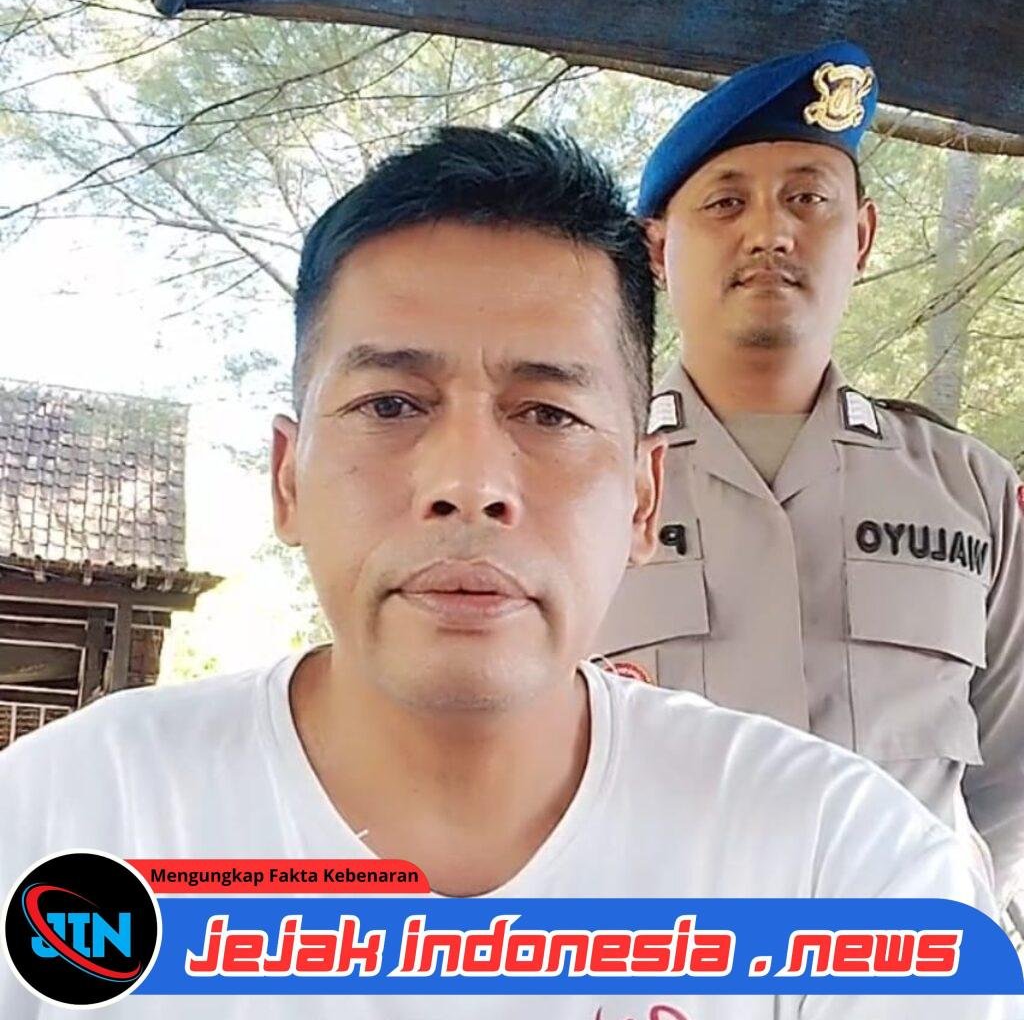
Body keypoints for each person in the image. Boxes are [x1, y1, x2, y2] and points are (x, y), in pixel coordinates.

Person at [0, 127, 1005, 1019]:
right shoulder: (67, 823)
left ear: (644, 498)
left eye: (549, 413)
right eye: (391, 405)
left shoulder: (847, 867)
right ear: (287, 479)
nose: (470, 485)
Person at [594, 40, 1024, 912]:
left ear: (860, 236)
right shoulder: (580, 478)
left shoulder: (969, 490)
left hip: (904, 964)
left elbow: (1009, 784)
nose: (770, 232)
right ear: (658, 251)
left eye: (807, 198)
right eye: (726, 202)